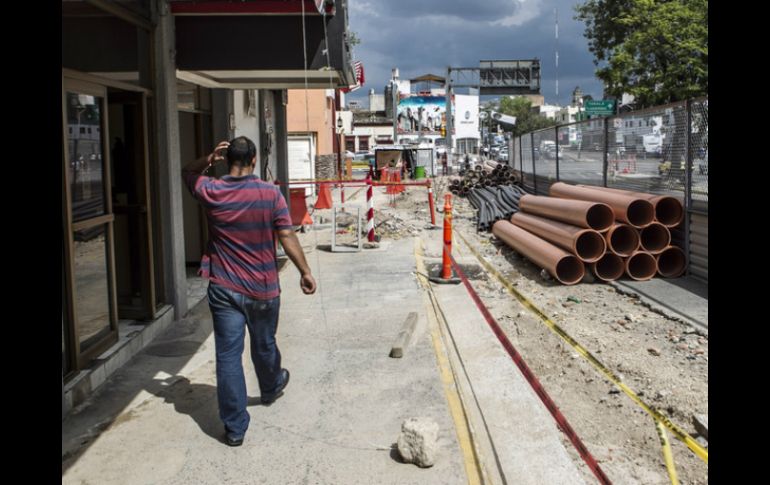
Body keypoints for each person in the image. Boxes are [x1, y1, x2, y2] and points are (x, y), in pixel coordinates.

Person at [182, 137, 317, 447]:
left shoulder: (212, 190)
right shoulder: (270, 194)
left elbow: (187, 172)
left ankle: (235, 428)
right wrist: (305, 271)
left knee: (228, 356)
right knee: (264, 343)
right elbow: (287, 235)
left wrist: (208, 158)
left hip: (224, 288)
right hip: (262, 288)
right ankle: (271, 386)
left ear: (227, 159)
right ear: (254, 160)